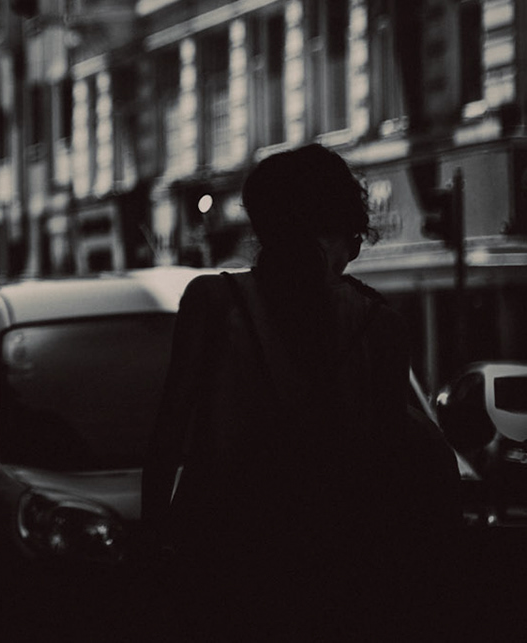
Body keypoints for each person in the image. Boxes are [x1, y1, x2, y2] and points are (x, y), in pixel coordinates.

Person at [140, 143, 457, 640]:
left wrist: (154, 549)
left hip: (222, 564)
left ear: (262, 224)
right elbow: (391, 462)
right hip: (331, 569)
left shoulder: (213, 302)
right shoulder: (380, 323)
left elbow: (166, 441)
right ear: (349, 233)